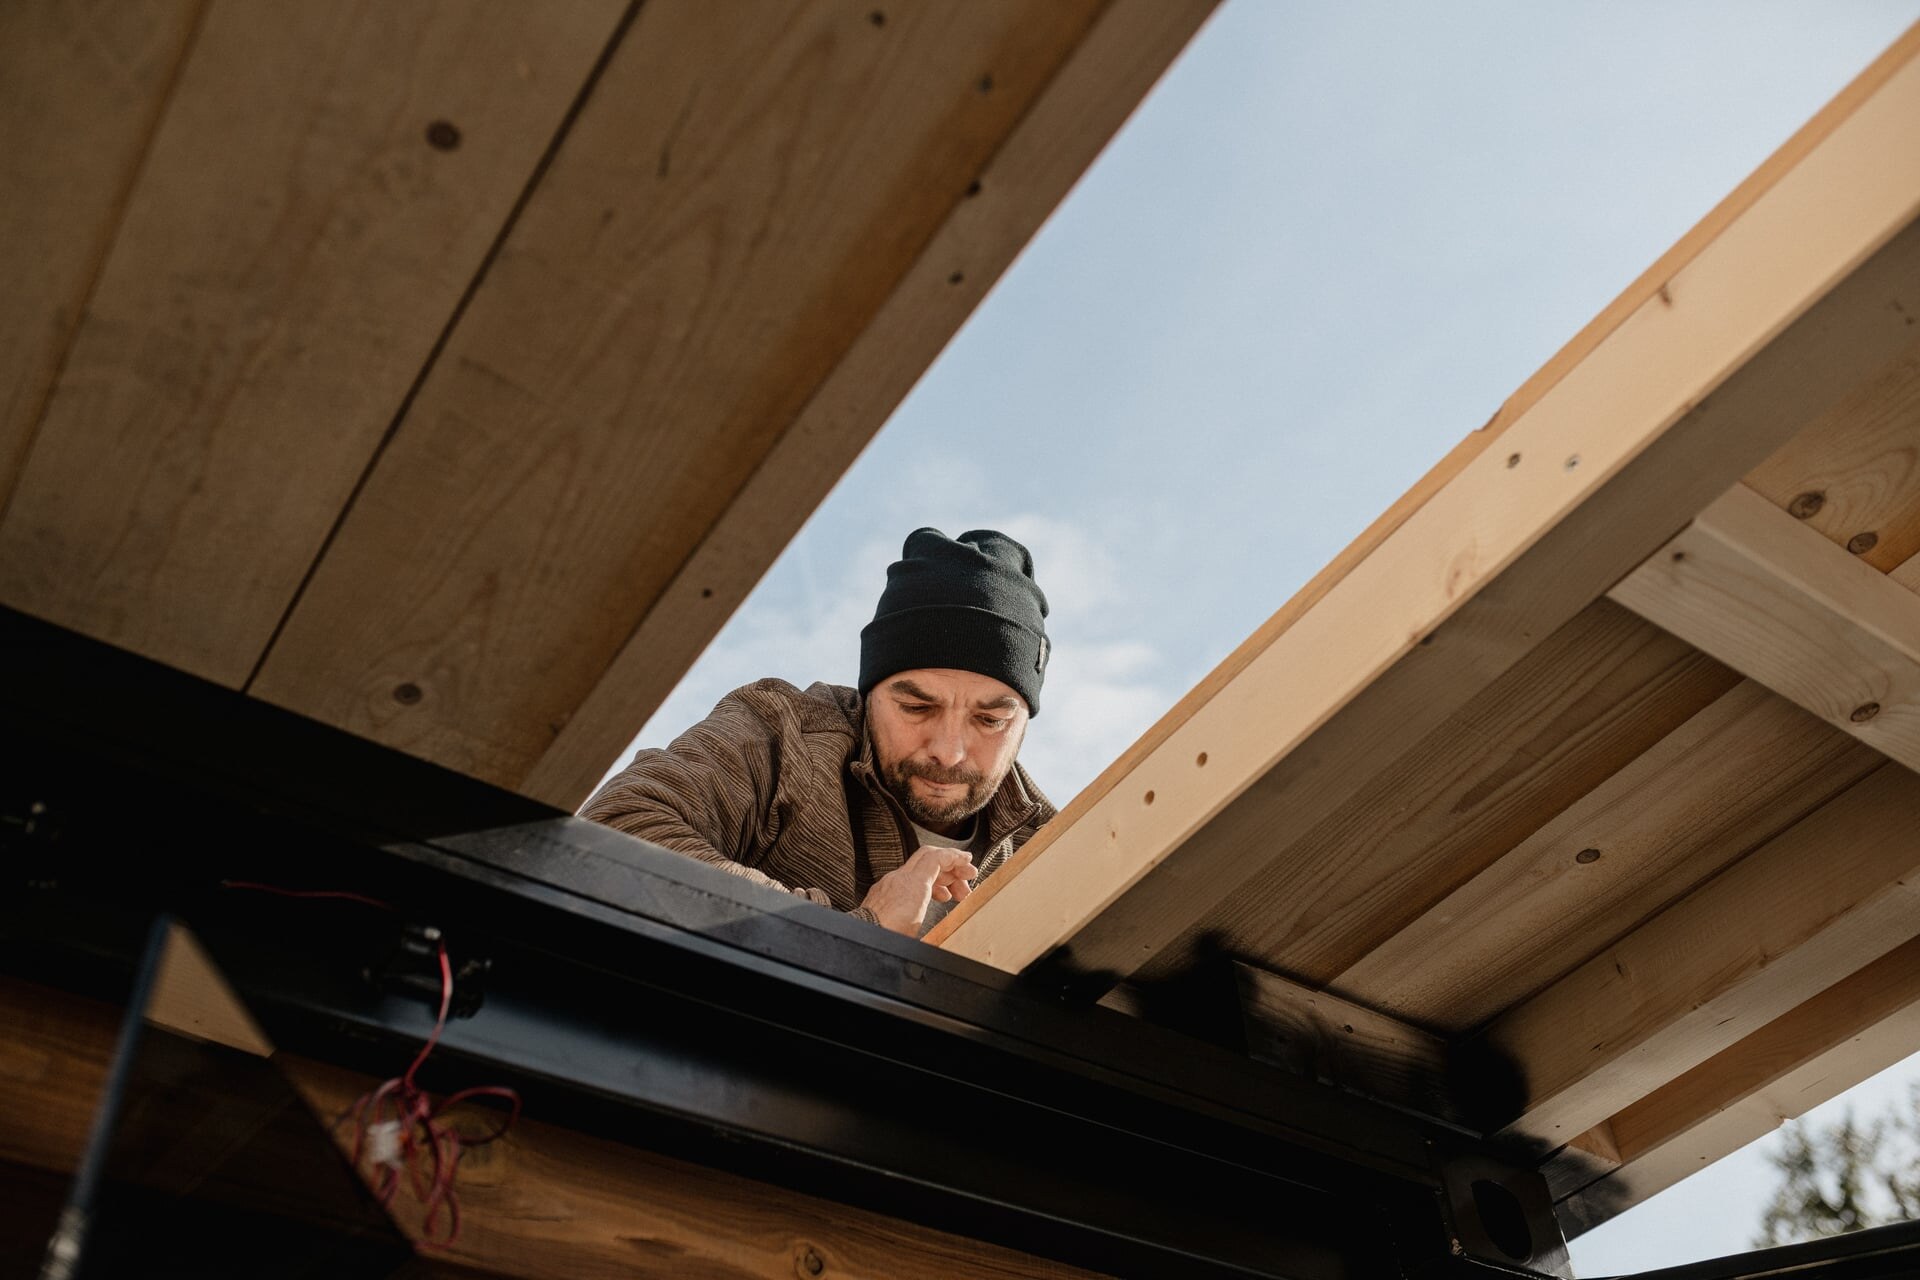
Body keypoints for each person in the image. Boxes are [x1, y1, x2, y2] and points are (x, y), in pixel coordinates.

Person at [583, 528, 1056, 937]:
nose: (949, 752)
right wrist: (861, 931)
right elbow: (612, 832)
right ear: (868, 693)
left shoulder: (1055, 850)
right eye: (916, 707)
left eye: (990, 720)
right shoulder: (783, 733)